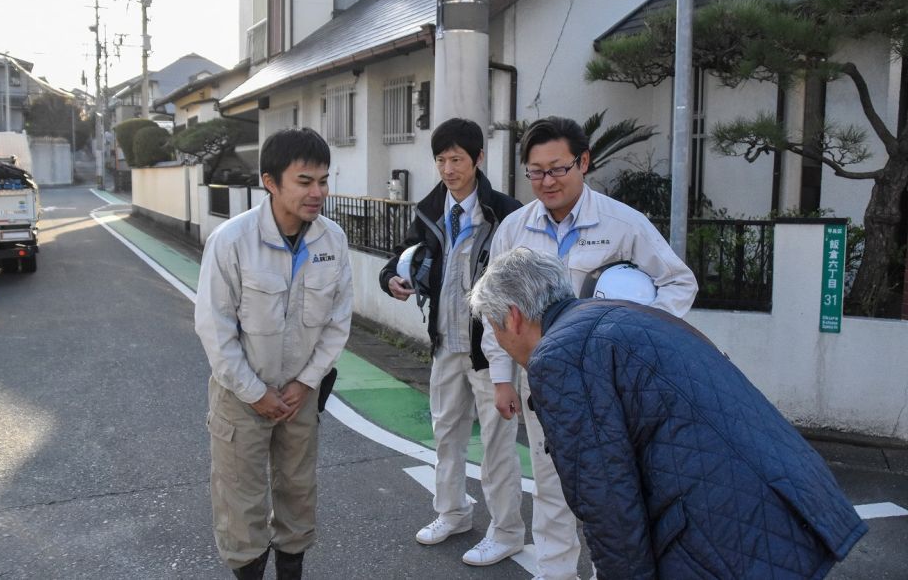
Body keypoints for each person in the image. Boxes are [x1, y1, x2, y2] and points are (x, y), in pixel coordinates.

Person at [469, 247, 867, 580]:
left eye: (495, 327)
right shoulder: (620, 316)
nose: (500, 342)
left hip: (727, 533)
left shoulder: (557, 357)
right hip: (793, 498)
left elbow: (607, 498)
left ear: (515, 315)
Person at [482, 117, 698, 580]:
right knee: (549, 481)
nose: (547, 181)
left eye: (558, 169)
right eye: (535, 172)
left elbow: (679, 282)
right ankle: (555, 572)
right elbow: (497, 307)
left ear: (583, 162)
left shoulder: (624, 224)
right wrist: (502, 378)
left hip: (610, 384)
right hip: (545, 378)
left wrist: (639, 333)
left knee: (613, 489)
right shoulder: (515, 229)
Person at [194, 127, 354, 580]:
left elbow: (338, 321)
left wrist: (307, 383)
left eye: (323, 180)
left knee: (298, 493)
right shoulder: (231, 241)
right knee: (240, 502)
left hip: (299, 395)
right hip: (240, 394)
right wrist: (253, 391)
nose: (318, 192)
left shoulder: (332, 241)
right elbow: (214, 328)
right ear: (270, 181)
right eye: (305, 181)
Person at [379, 118, 526, 567]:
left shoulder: (506, 213)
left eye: (456, 159)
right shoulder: (429, 209)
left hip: (491, 352)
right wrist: (390, 279)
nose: (448, 168)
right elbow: (401, 255)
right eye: (441, 159)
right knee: (446, 436)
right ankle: (453, 512)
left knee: (499, 445)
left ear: (478, 159)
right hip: (445, 344)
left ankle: (507, 531)